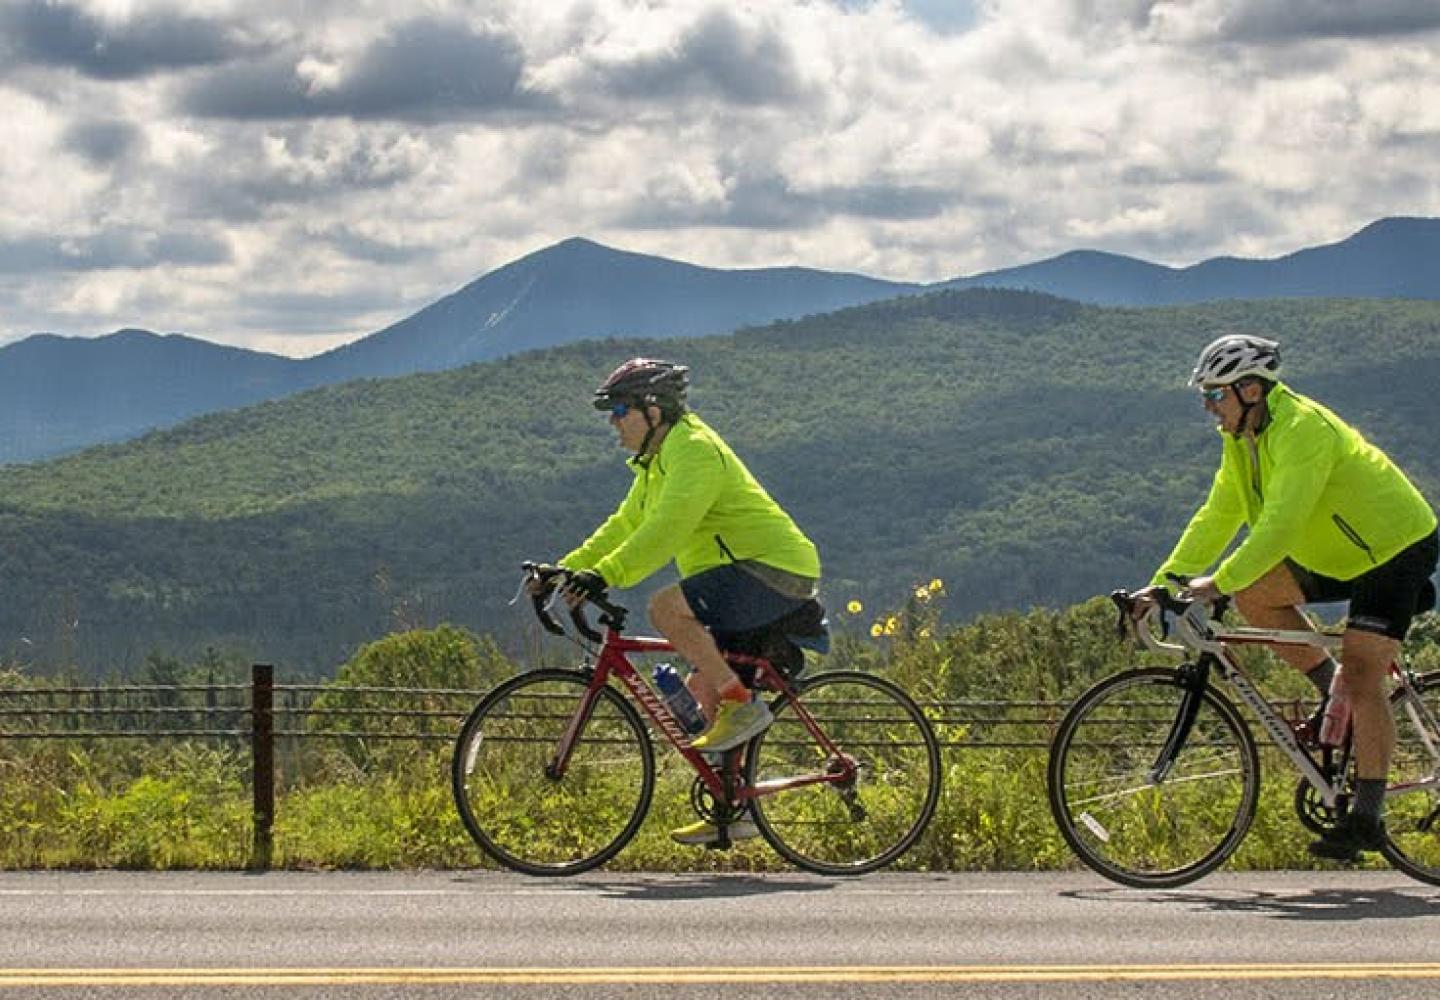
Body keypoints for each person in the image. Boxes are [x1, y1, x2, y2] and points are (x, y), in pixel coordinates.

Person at [1141, 333, 1438, 862]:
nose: (1208, 408)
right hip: (1335, 554)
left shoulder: (1305, 431)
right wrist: (1166, 580)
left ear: (1251, 390)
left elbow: (1277, 528)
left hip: (1394, 548)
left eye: (1215, 396)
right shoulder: (1242, 440)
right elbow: (1220, 514)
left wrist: (1216, 583)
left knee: (1365, 670)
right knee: (1256, 593)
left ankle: (1368, 816)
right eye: (1204, 397)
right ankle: (1333, 694)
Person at [537, 357, 824, 846]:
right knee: (699, 694)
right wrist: (568, 568)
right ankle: (736, 812)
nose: (613, 421)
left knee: (666, 608)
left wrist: (604, 575)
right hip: (744, 576)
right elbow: (626, 525)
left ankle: (743, 702)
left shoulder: (693, 451)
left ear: (654, 411)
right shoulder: (657, 462)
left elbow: (665, 531)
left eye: (620, 409)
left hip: (773, 570)